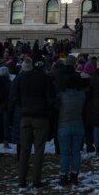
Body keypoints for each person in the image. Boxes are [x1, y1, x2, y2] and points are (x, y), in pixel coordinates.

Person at [15, 58, 54, 188]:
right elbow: (50, 100)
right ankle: (36, 180)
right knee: (38, 150)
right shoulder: (46, 80)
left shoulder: (23, 78)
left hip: (25, 115)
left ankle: (21, 180)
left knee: (24, 149)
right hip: (41, 117)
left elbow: (17, 97)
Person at [56, 73, 86, 185]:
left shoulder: (61, 95)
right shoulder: (82, 95)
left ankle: (64, 175)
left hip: (64, 126)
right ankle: (74, 175)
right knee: (76, 152)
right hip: (78, 125)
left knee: (64, 152)